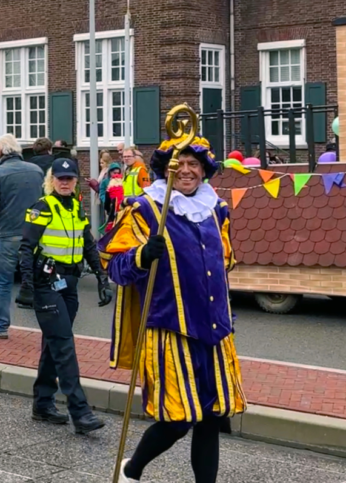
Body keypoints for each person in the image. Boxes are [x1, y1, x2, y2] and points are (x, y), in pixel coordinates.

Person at [104, 137, 244, 483]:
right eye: (177, 165)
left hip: (214, 331)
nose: (185, 171)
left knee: (212, 417)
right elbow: (114, 266)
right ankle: (132, 471)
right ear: (165, 170)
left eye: (193, 164)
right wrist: (141, 256)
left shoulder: (216, 210)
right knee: (178, 418)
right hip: (171, 328)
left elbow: (224, 264)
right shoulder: (146, 209)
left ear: (203, 170)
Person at [17, 157, 105, 434]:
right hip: (47, 283)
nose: (64, 182)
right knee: (64, 344)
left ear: (76, 181)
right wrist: (29, 286)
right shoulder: (43, 207)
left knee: (53, 343)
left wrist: (102, 276)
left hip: (70, 282)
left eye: (69, 178)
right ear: (51, 180)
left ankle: (43, 403)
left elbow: (88, 243)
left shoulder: (76, 208)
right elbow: (26, 247)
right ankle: (80, 411)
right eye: (60, 178)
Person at [0, 133, 44, 339]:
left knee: (3, 282)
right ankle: (47, 328)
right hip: (34, 234)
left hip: (7, 234)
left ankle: (0, 328)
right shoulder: (36, 171)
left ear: (0, 150)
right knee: (40, 281)